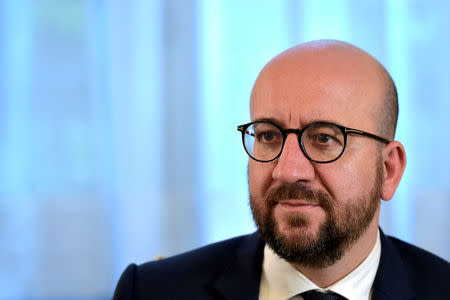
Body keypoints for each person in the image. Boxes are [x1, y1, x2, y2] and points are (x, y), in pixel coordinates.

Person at [113, 40, 450, 300]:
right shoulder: (152, 291)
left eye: (323, 138)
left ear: (388, 170)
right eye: (268, 136)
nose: (287, 171)